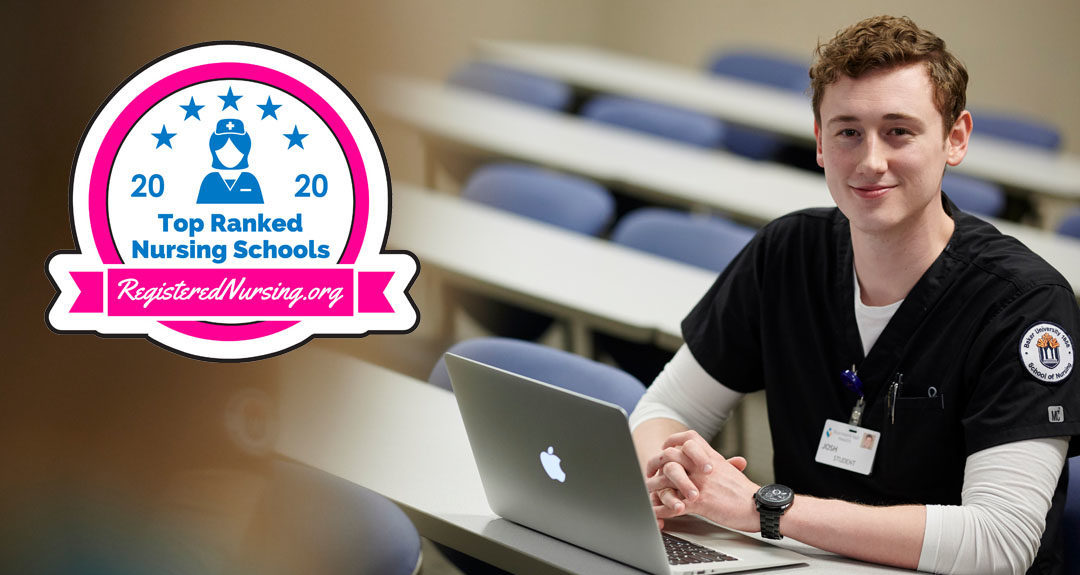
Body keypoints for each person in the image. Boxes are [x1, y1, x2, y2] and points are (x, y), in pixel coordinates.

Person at [630, 15, 1079, 575]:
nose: (870, 161)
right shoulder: (787, 253)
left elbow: (999, 543)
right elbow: (667, 408)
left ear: (955, 138)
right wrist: (668, 474)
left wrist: (764, 509)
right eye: (847, 131)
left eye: (899, 131)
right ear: (820, 142)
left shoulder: (1023, 303)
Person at [198, 118, 264, 204]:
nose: (229, 155)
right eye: (222, 149)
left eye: (236, 150)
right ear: (214, 150)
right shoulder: (209, 181)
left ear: (246, 151)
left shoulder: (250, 180)